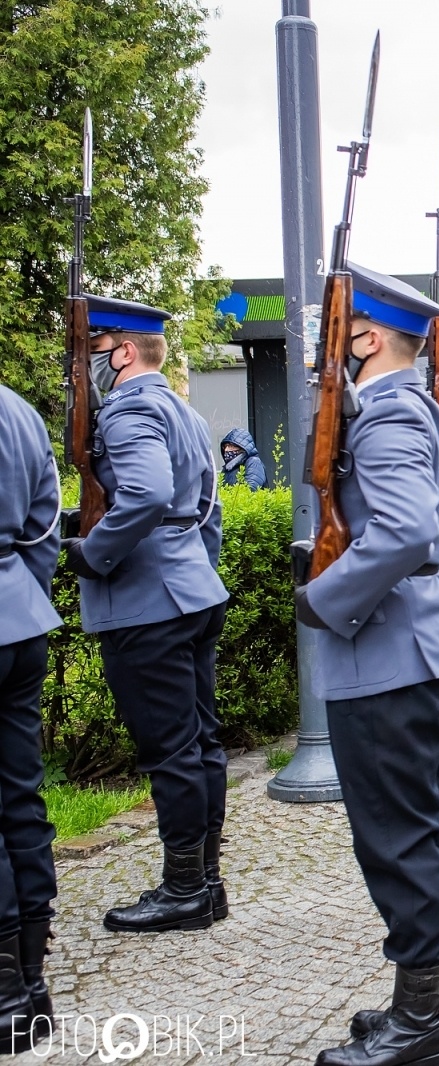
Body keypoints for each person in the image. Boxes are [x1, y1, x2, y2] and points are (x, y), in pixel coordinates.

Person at [291, 266, 439, 1066]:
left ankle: (420, 1024)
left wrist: (325, 598)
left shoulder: (388, 414)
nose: (314, 343)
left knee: (400, 842)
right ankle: (437, 1004)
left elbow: (399, 534)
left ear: (363, 338)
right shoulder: (410, 406)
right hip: (420, 645)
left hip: (389, 654)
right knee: (431, 831)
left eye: (326, 329)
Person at [57, 296, 230, 935]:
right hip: (189, 588)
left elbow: (148, 493)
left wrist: (91, 555)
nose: (88, 365)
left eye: (94, 352)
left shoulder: (130, 410)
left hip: (147, 602)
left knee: (171, 751)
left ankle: (186, 888)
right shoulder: (180, 409)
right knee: (200, 743)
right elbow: (200, 502)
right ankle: (204, 879)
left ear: (124, 352)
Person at [0, 384, 62, 1053]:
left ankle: (5, 994)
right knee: (20, 793)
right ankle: (32, 978)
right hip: (18, 610)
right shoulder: (16, 408)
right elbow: (45, 525)